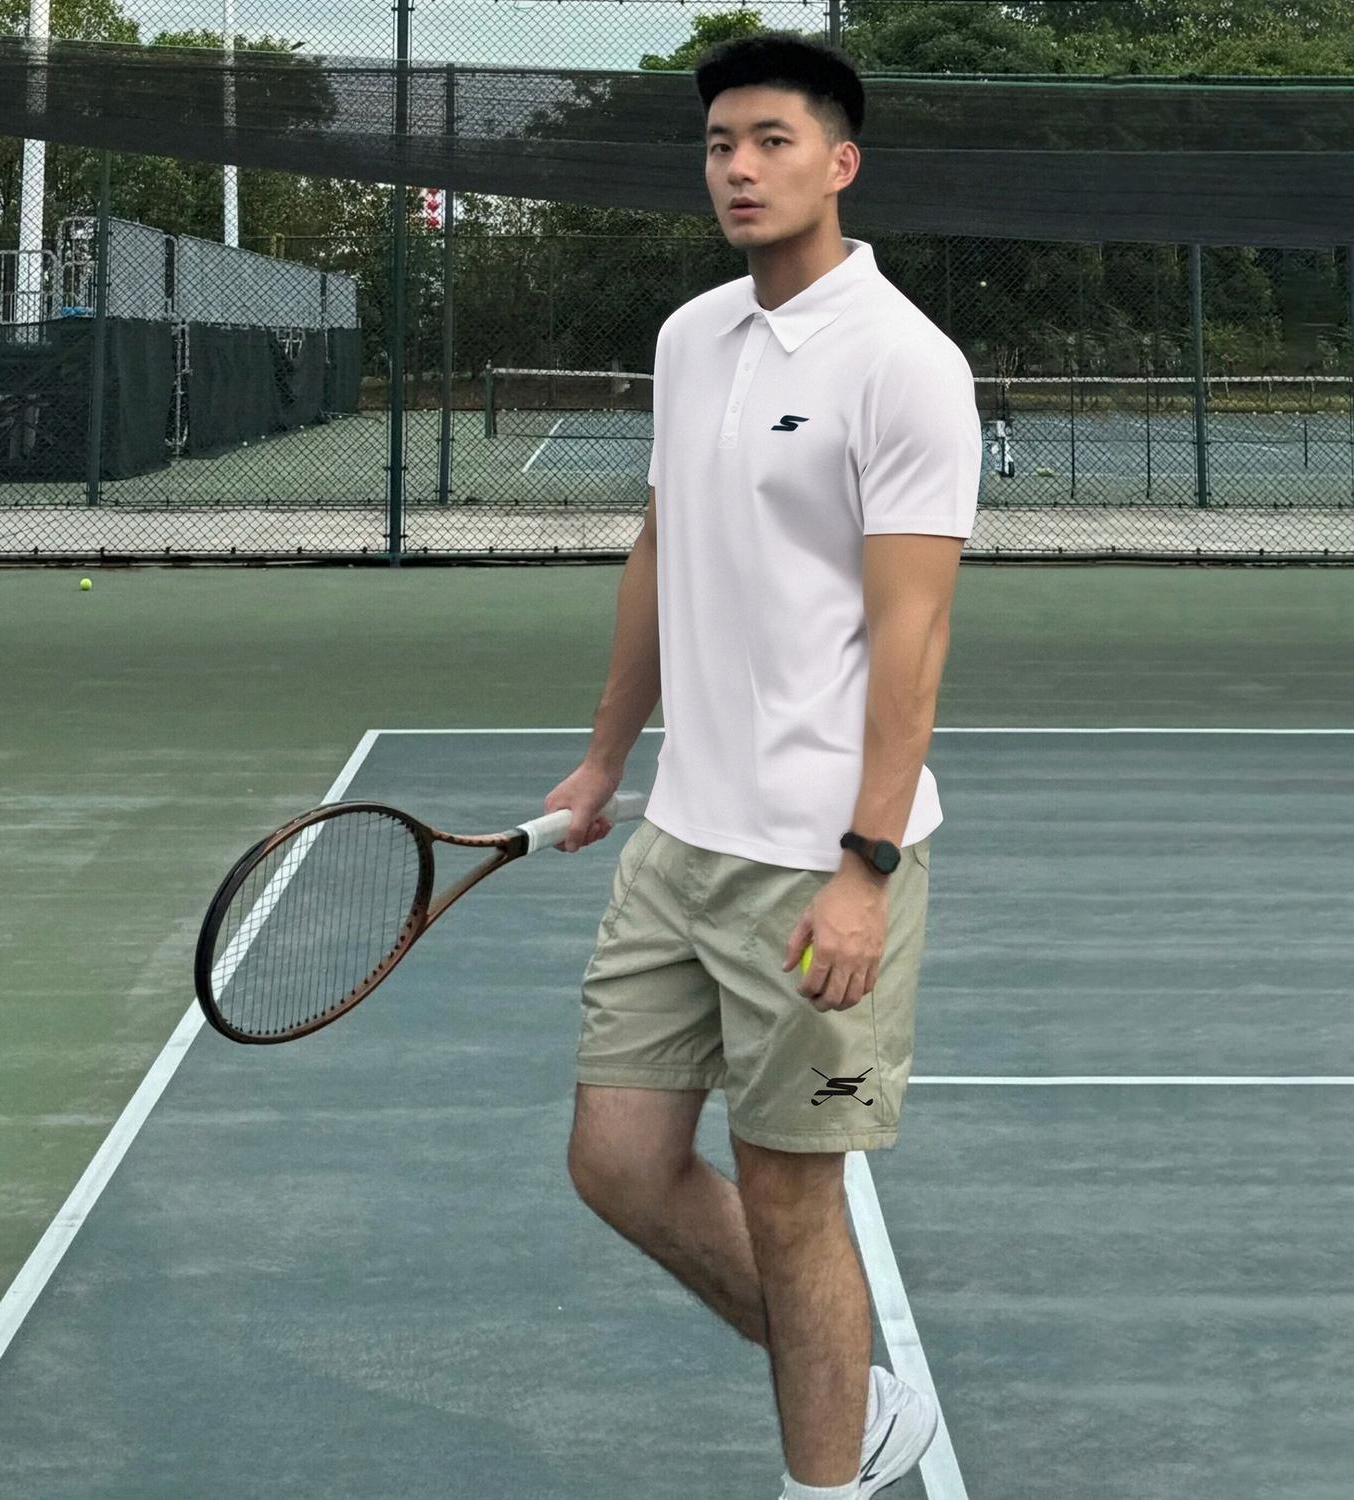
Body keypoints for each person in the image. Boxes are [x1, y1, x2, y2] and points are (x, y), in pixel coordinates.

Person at [543, 29, 980, 1500]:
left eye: (772, 141)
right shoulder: (691, 338)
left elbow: (913, 636)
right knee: (617, 1162)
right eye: (720, 144)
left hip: (817, 862)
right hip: (681, 839)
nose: (739, 167)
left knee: (796, 1205)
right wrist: (604, 759)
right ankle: (856, 1391)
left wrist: (864, 869)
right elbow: (662, 553)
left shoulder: (905, 364)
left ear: (840, 163)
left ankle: (825, 1477)